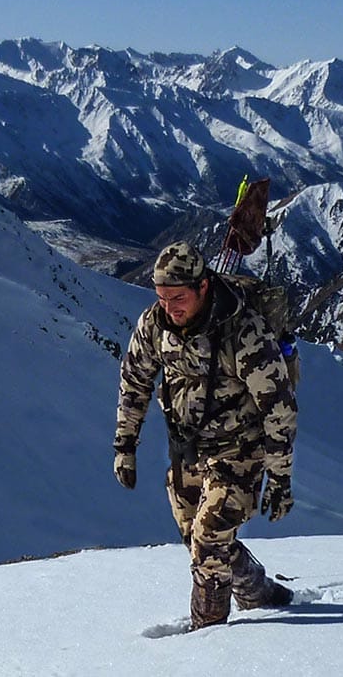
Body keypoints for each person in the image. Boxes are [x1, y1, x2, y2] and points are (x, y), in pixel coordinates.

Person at [113, 241, 298, 630]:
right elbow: (135, 383)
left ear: (203, 288)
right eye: (162, 298)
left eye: (178, 297)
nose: (169, 307)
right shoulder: (154, 326)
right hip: (188, 452)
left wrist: (279, 478)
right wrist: (125, 446)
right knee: (199, 545)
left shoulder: (243, 333)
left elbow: (278, 408)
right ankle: (258, 592)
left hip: (240, 451)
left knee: (210, 539)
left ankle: (208, 642)